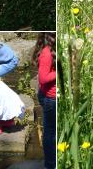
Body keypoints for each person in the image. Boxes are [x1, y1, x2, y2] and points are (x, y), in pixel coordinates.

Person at [32, 32, 56, 169]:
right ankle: (50, 165)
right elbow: (43, 78)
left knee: (51, 131)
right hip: (50, 99)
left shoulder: (54, 49)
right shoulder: (47, 53)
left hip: (52, 97)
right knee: (50, 132)